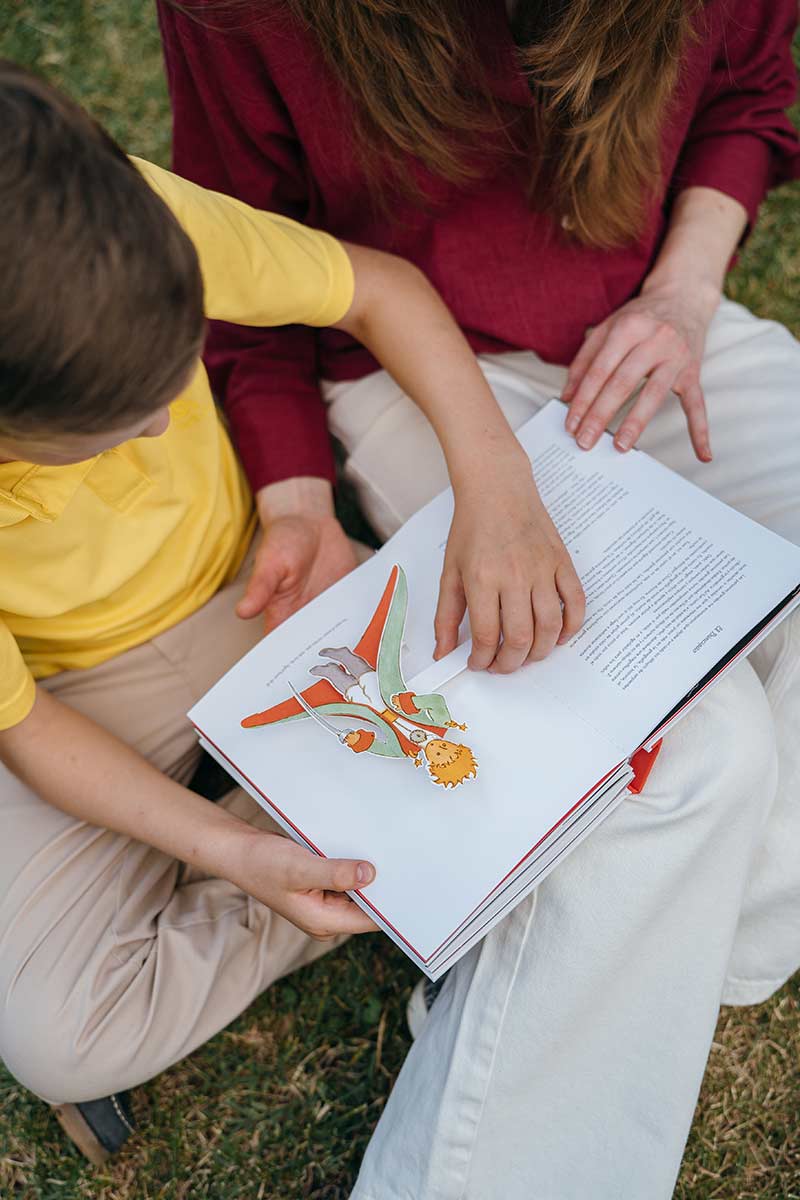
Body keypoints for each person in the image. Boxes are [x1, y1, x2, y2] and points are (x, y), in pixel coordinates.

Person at [155, 2, 800, 1197]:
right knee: (680, 752)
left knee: (702, 786)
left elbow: (744, 92)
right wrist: (296, 488)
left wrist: (680, 296)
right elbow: (247, 267)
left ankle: (672, 955)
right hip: (406, 368)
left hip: (641, 324)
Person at [0, 59, 589, 1167]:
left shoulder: (111, 213)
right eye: (118, 423)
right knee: (62, 1038)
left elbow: (377, 289)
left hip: (261, 589)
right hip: (68, 696)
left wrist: (494, 482)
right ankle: (331, 856)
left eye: (173, 382)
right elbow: (24, 728)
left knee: (526, 707)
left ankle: (352, 829)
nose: (158, 426)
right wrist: (234, 856)